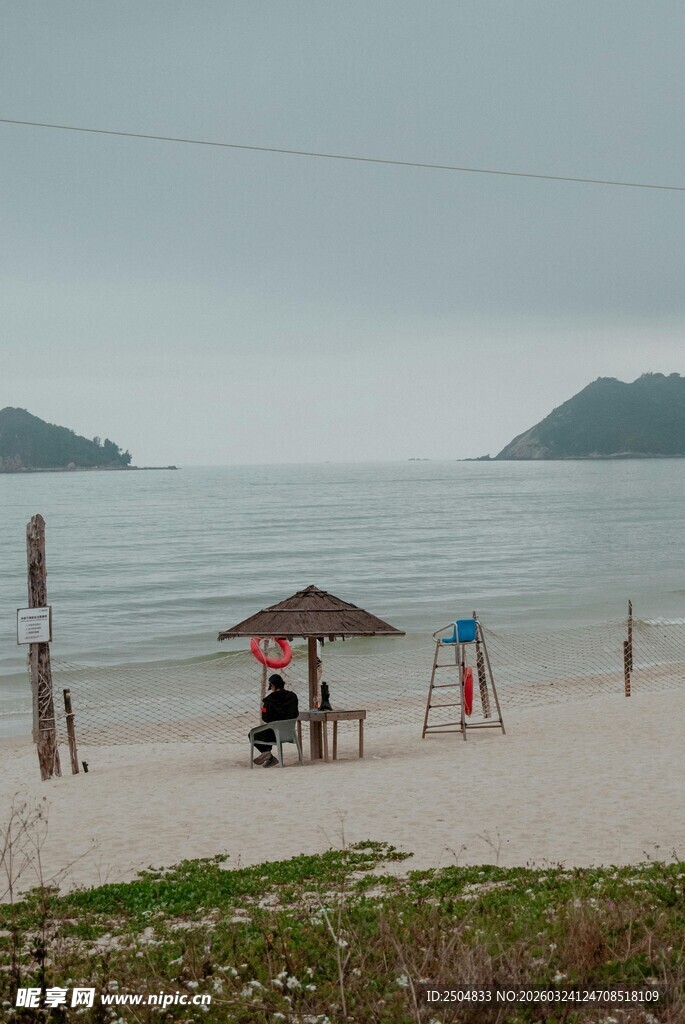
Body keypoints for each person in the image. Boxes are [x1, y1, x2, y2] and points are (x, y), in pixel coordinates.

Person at [251, 673, 299, 767]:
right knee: (269, 729)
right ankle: (269, 757)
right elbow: (296, 713)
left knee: (252, 734)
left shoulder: (268, 700)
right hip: (289, 733)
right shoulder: (293, 696)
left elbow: (265, 718)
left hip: (273, 734)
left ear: (272, 685)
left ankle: (267, 753)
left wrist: (264, 709)